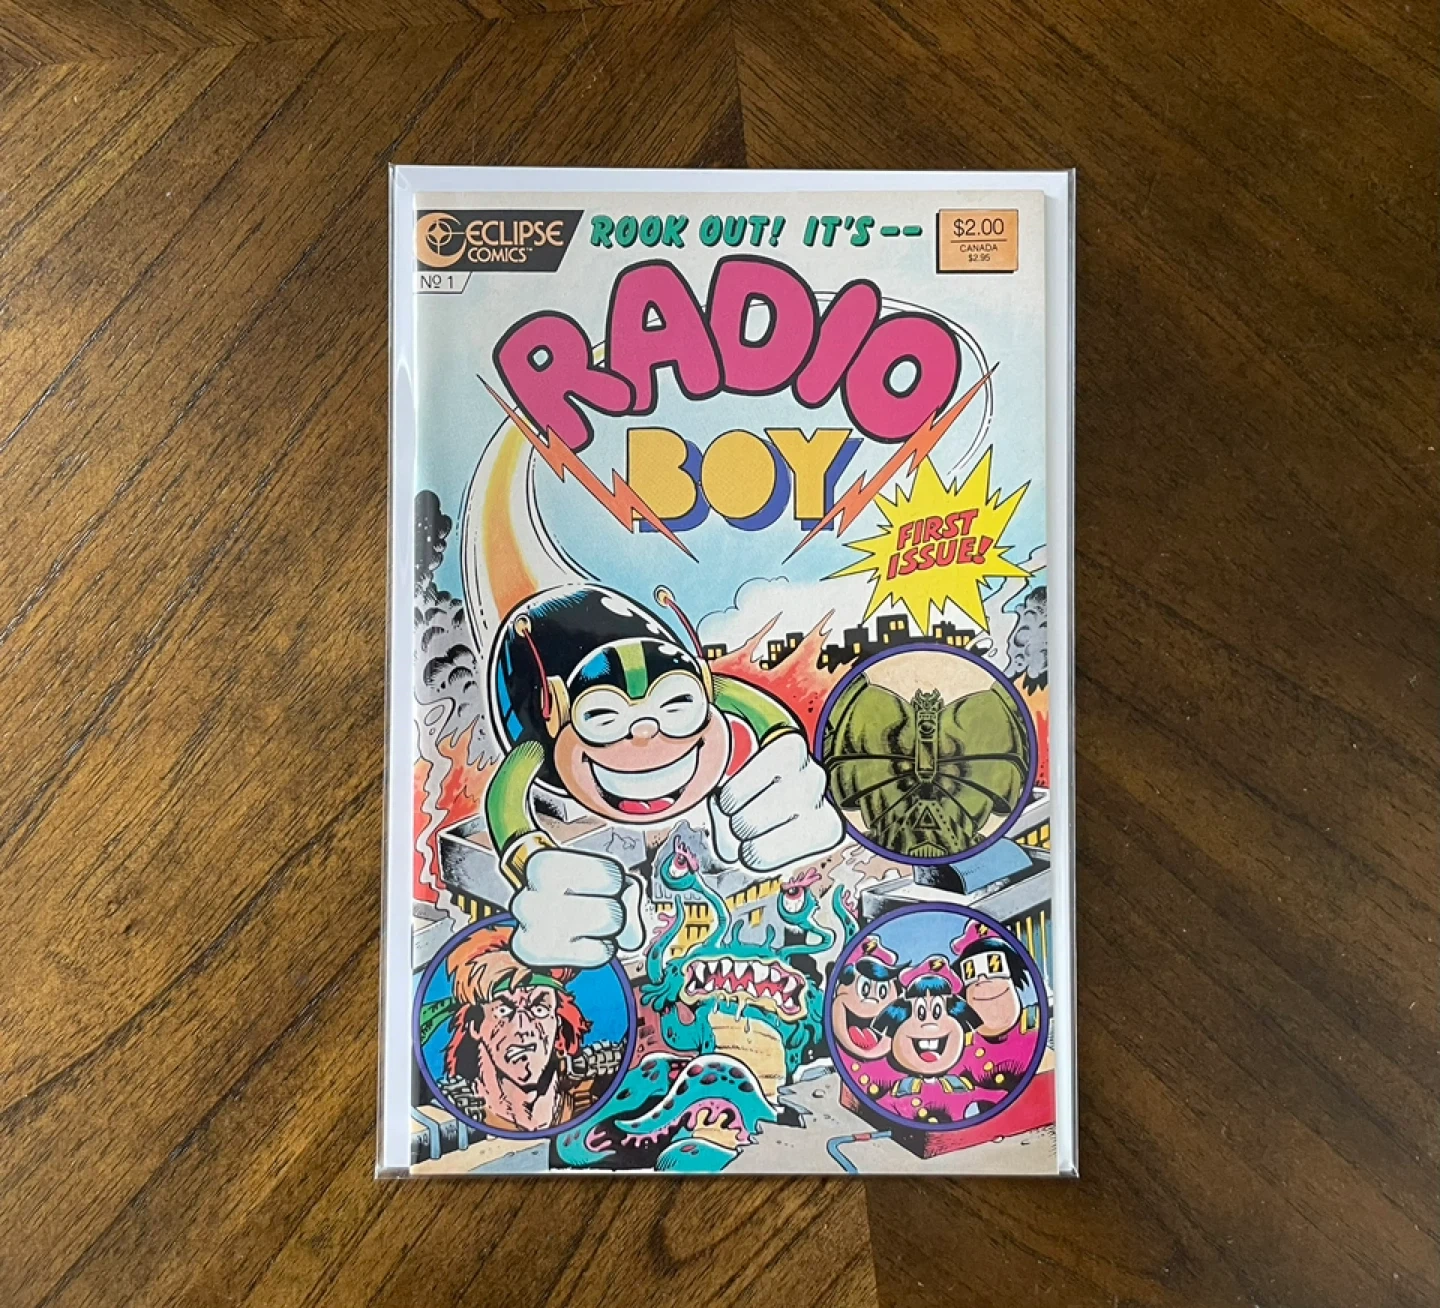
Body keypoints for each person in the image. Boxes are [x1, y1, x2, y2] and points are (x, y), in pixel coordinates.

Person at [486, 583, 842, 968]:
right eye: (603, 716)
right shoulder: (541, 746)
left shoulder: (714, 710)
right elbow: (505, 801)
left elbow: (756, 709)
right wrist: (532, 864)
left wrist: (786, 755)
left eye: (675, 704)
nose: (645, 735)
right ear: (556, 712)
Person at [440, 925, 596, 1132]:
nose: (522, 1028)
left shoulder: (591, 1105)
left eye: (539, 1009)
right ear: (476, 1025)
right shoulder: (449, 1120)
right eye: (504, 1010)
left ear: (558, 1021)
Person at [830, 934, 905, 1099]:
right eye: (864, 989)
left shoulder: (900, 1075)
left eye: (883, 992)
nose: (873, 1001)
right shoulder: (829, 1065)